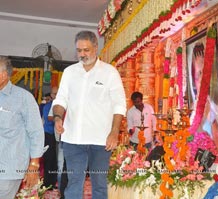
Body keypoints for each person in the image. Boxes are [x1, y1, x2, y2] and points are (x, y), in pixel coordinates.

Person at [52, 30, 126, 199]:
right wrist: (57, 118)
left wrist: (114, 132)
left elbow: (119, 104)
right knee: (73, 184)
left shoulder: (109, 72)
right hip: (73, 140)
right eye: (79, 50)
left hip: (101, 142)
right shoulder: (70, 72)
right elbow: (61, 99)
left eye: (86, 50)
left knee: (99, 185)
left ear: (96, 48)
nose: (82, 54)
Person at [0, 56, 44, 199]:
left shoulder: (23, 98)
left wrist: (34, 165)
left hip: (9, 168)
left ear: (4, 75)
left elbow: (36, 132)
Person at [42, 86, 58, 189]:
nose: (55, 95)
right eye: (53, 93)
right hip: (49, 135)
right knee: (49, 160)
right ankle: (47, 183)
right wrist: (59, 118)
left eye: (57, 93)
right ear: (51, 95)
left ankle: (53, 182)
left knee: (55, 160)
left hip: (59, 137)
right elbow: (48, 119)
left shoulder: (63, 105)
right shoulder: (48, 106)